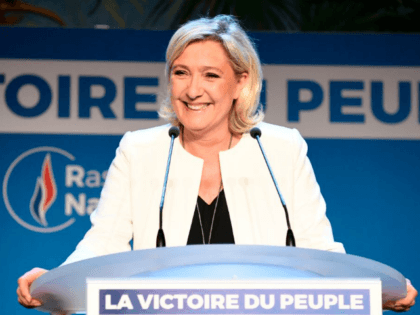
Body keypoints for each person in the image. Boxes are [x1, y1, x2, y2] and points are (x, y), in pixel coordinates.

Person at [17, 15, 416, 312]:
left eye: (210, 75)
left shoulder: (281, 148)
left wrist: (373, 290)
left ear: (241, 82)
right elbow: (103, 241)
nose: (193, 90)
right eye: (181, 73)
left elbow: (317, 248)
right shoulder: (139, 150)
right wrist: (54, 280)